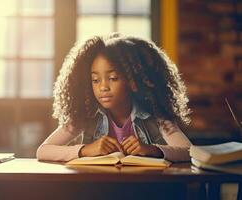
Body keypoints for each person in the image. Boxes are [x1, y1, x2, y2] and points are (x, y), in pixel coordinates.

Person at [36, 33, 192, 162]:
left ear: (132, 80)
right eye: (95, 80)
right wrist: (85, 150)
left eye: (113, 78)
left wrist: (152, 150)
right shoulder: (85, 115)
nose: (103, 87)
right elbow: (43, 151)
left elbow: (189, 152)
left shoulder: (157, 116)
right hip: (98, 189)